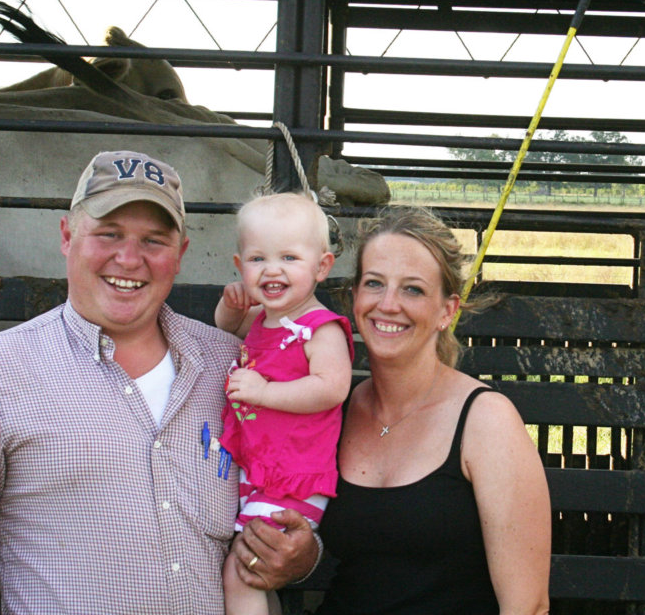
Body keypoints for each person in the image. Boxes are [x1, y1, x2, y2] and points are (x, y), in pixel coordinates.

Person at [0, 149, 318, 615]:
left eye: (154, 240)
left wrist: (302, 556)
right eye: (108, 234)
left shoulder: (231, 366)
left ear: (180, 254)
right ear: (67, 236)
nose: (129, 258)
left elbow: (291, 479)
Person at [230, 205, 551, 615]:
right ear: (355, 297)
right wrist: (301, 557)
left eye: (412, 289)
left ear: (447, 311)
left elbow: (528, 606)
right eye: (374, 283)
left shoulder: (486, 420)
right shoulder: (333, 409)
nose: (388, 304)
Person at [214, 193, 354, 615]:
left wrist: (264, 394)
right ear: (239, 265)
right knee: (256, 574)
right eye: (258, 259)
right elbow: (228, 327)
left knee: (242, 570)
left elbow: (332, 388)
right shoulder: (262, 318)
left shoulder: (320, 329)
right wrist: (230, 307)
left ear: (322, 267)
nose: (272, 269)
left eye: (289, 258)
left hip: (294, 476)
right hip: (261, 470)